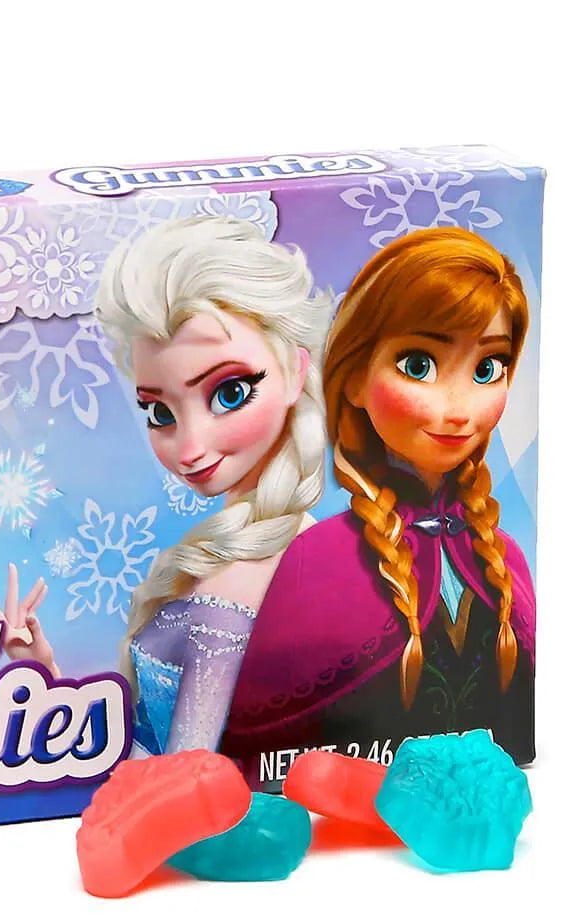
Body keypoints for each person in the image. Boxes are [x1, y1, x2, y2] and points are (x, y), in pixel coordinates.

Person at [0, 216, 331, 755]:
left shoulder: (240, 578)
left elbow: (189, 773)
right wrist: (44, 671)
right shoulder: (284, 545)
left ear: (294, 370)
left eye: (229, 393)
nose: (190, 447)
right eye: (160, 412)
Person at [219, 228, 536, 772]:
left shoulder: (505, 559)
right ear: (355, 379)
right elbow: (260, 758)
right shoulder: (317, 560)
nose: (459, 408)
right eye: (419, 364)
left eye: (487, 369)